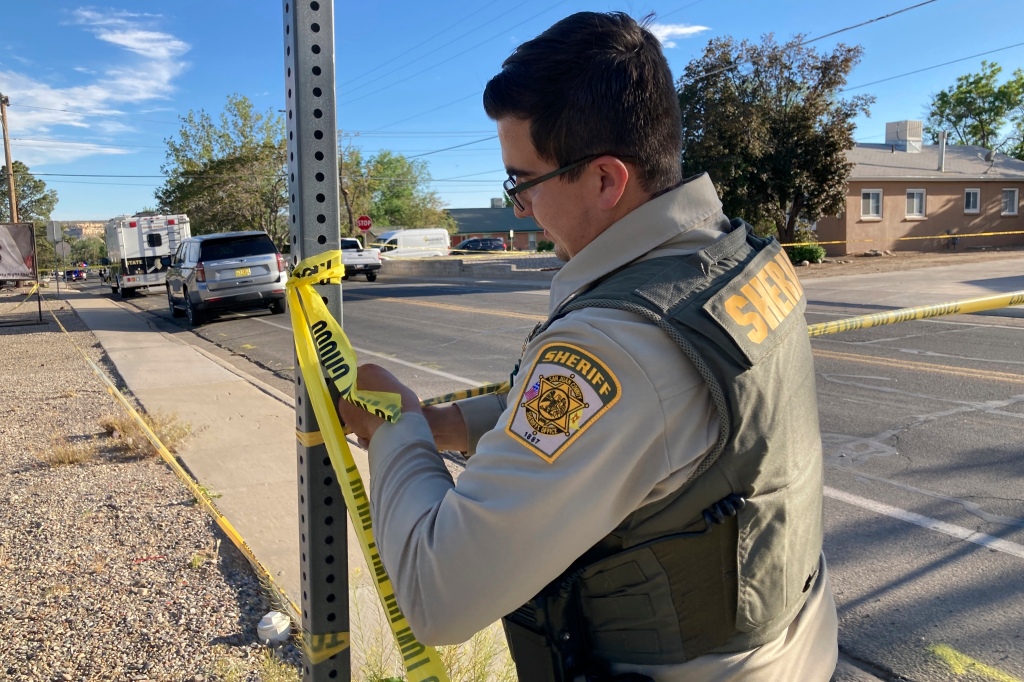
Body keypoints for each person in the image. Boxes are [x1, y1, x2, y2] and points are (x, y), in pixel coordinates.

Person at [338, 11, 838, 681]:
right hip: (796, 640)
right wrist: (451, 425)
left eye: (523, 181)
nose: (518, 207)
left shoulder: (618, 345)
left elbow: (437, 595)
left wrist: (397, 427)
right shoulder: (729, 258)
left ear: (606, 179)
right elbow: (640, 427)